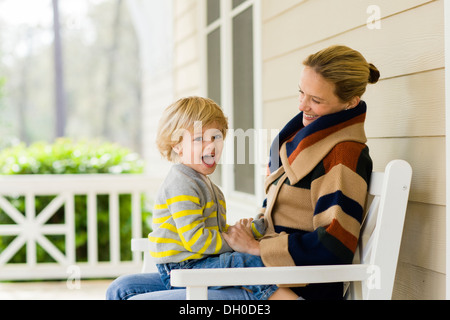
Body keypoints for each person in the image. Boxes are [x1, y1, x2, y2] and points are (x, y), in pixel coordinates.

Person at [106, 45, 379, 300]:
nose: (301, 106)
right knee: (121, 289)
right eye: (301, 93)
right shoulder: (303, 142)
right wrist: (249, 233)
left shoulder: (342, 154)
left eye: (315, 100)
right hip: (258, 268)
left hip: (291, 281)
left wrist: (254, 247)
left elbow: (334, 245)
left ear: (350, 103)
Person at [140, 96, 296, 300]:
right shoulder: (182, 184)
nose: (211, 146)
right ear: (177, 146)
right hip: (183, 267)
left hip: (196, 261)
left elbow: (214, 233)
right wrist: (236, 241)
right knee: (246, 261)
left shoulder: (206, 185)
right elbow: (197, 240)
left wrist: (245, 231)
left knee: (242, 259)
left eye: (216, 137)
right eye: (199, 139)